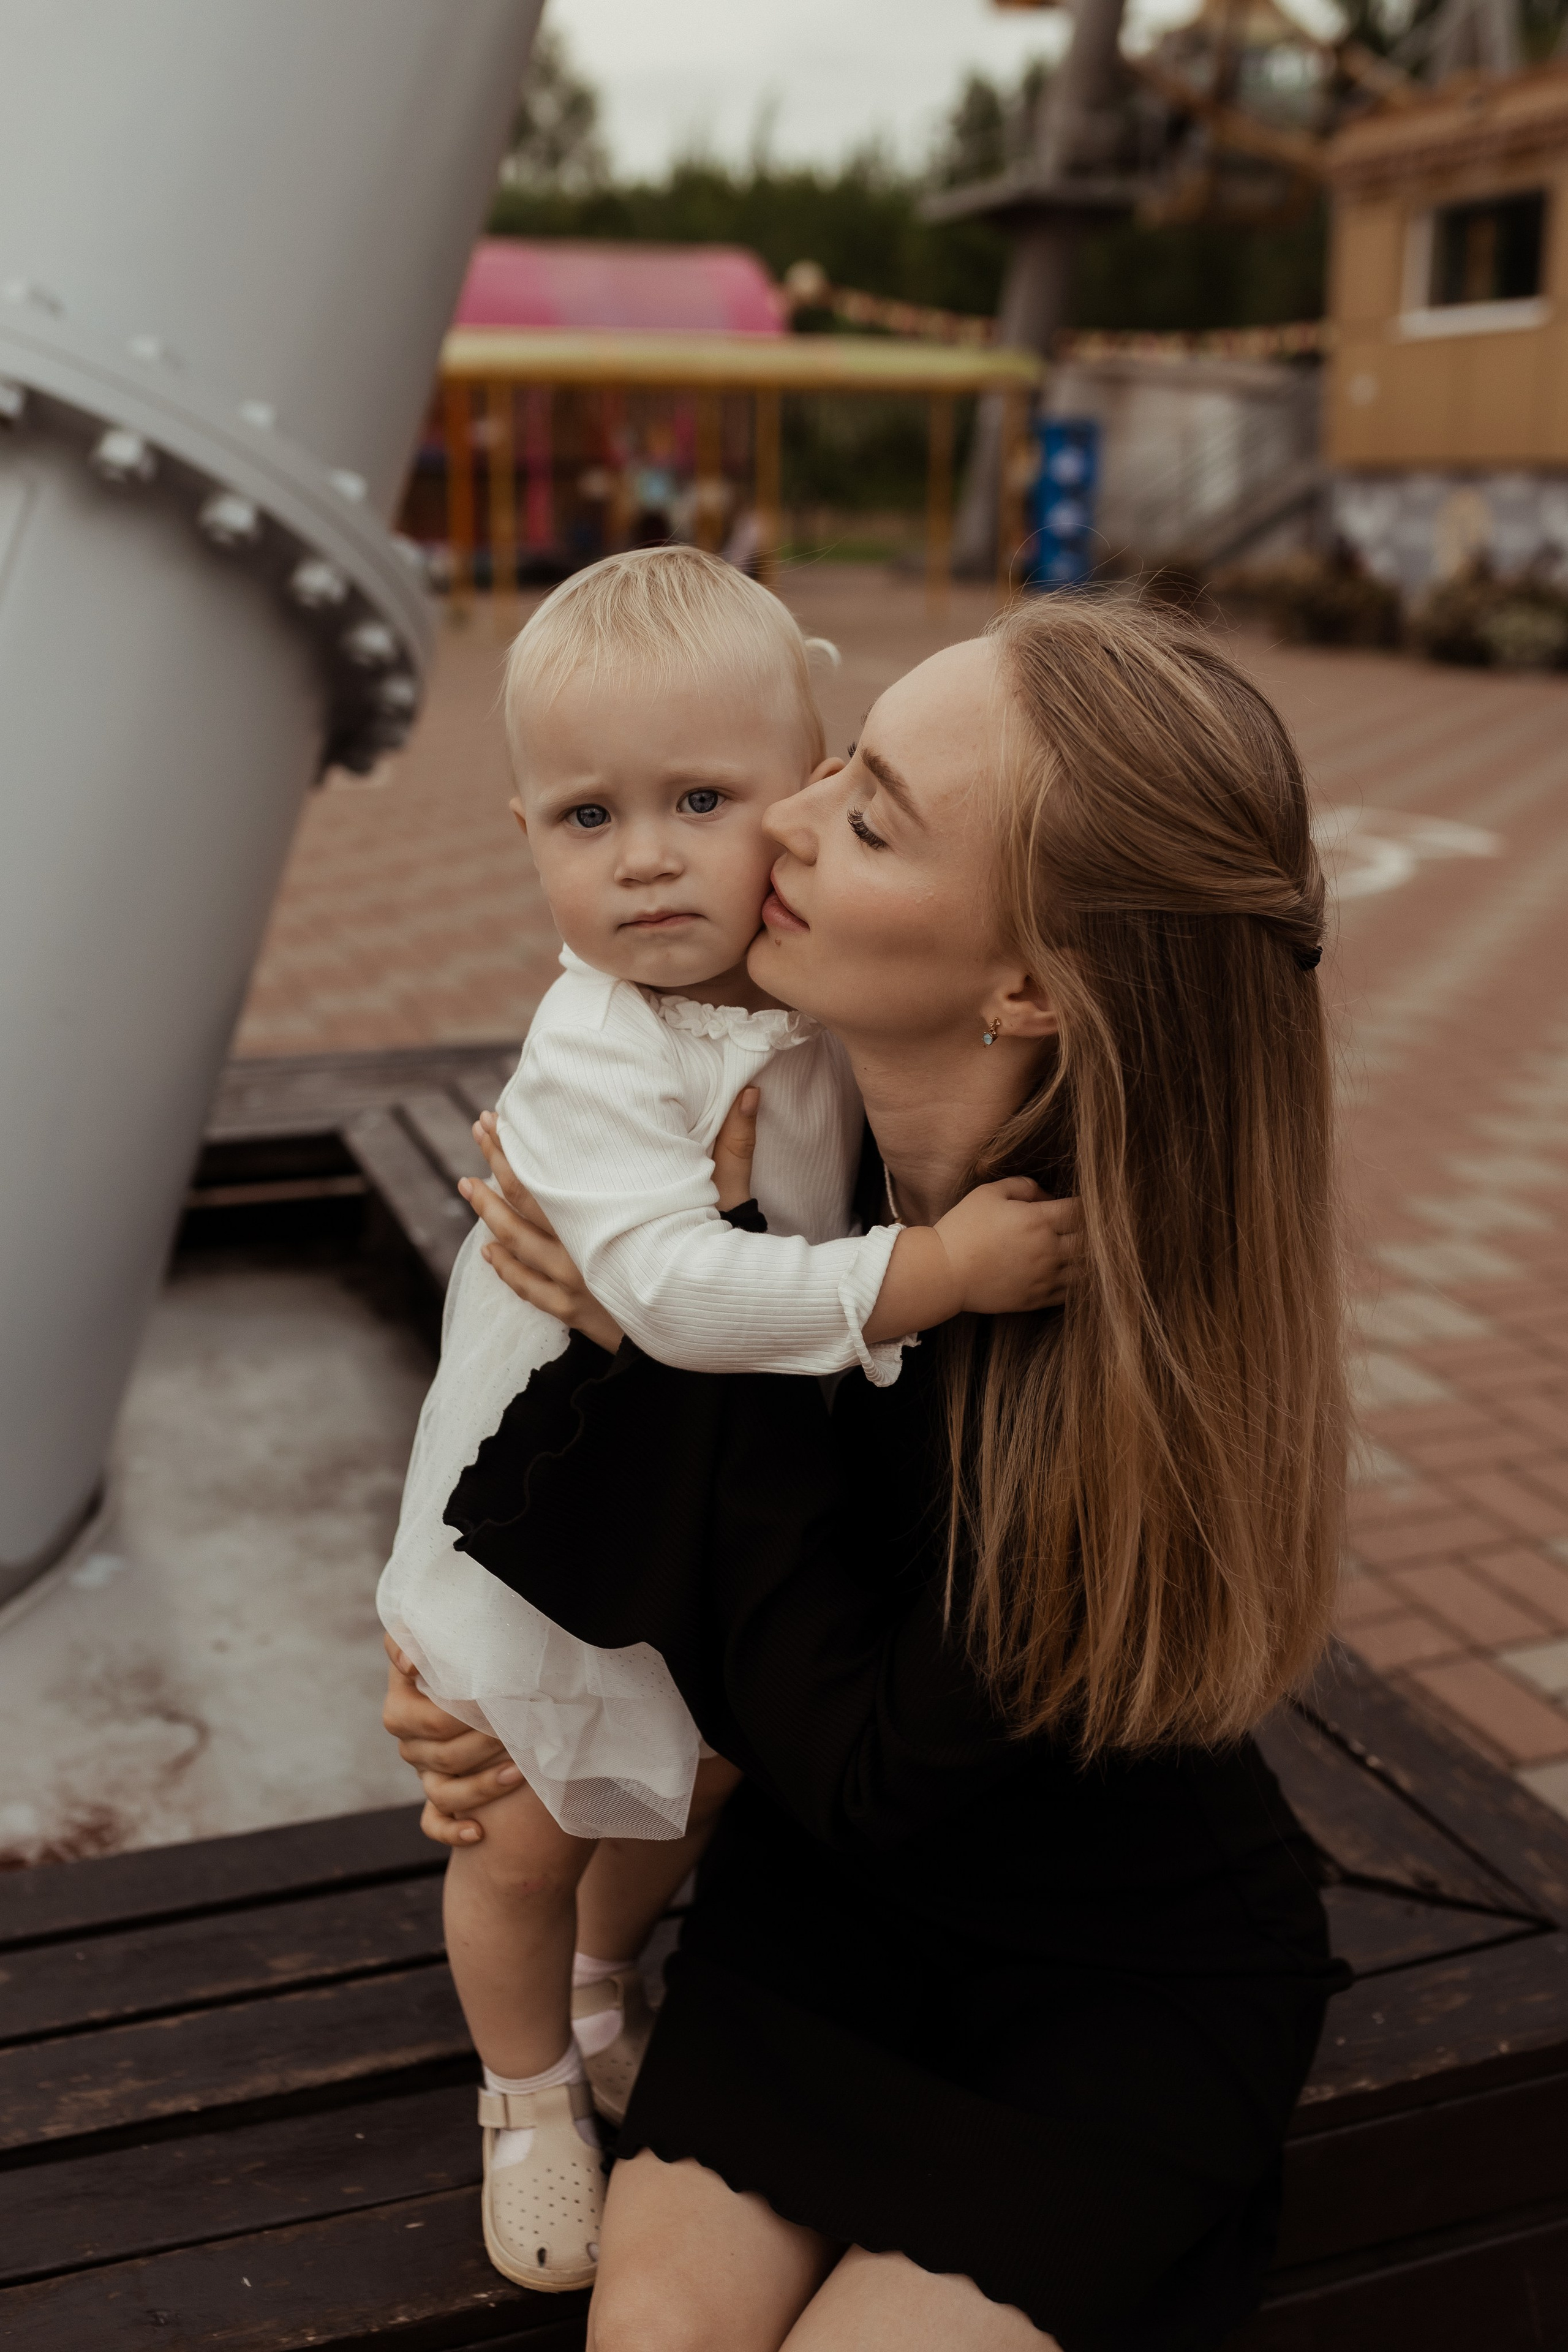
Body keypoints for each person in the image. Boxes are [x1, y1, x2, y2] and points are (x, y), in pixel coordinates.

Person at [388, 595, 1349, 2350]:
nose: (787, 820)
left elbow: (855, 1753)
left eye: (874, 813)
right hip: (824, 1921)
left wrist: (658, 1349)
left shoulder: (1072, 1311)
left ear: (1027, 984)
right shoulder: (793, 1150)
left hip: (1115, 1972)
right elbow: (603, 1474)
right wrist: (493, 1669)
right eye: (838, 760)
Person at [376, 546, 1075, 2293]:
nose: (650, 858)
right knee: (525, 1829)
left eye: (702, 799)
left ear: (808, 788)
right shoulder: (604, 1051)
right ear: (527, 831)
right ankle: (524, 2089)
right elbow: (680, 1297)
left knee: (680, 1786)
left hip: (702, 1525)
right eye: (586, 818)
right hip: (553, 1531)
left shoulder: (799, 997)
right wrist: (926, 1278)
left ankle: (607, 1986)